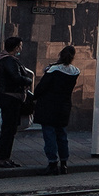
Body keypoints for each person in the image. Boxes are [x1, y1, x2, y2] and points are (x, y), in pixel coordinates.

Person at [33, 45, 79, 174]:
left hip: (49, 106)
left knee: (49, 135)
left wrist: (33, 97)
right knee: (62, 135)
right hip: (64, 106)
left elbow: (41, 88)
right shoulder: (75, 71)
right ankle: (64, 162)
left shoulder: (53, 70)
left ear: (60, 55)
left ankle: (52, 162)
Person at [0, 36, 32, 168]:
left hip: (9, 96)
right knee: (9, 130)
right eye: (20, 46)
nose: (21, 48)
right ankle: (2, 158)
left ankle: (5, 157)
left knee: (9, 129)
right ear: (15, 48)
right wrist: (28, 81)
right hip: (11, 97)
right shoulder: (9, 60)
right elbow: (17, 77)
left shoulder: (6, 60)